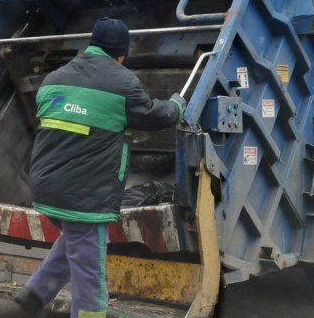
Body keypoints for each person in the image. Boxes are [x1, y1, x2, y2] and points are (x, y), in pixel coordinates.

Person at [15, 17, 186, 318]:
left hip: (45, 186)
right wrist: (177, 104)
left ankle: (35, 293)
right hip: (85, 195)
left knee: (78, 240)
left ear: (91, 44)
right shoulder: (122, 83)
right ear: (121, 54)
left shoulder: (55, 78)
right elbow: (154, 116)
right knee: (90, 275)